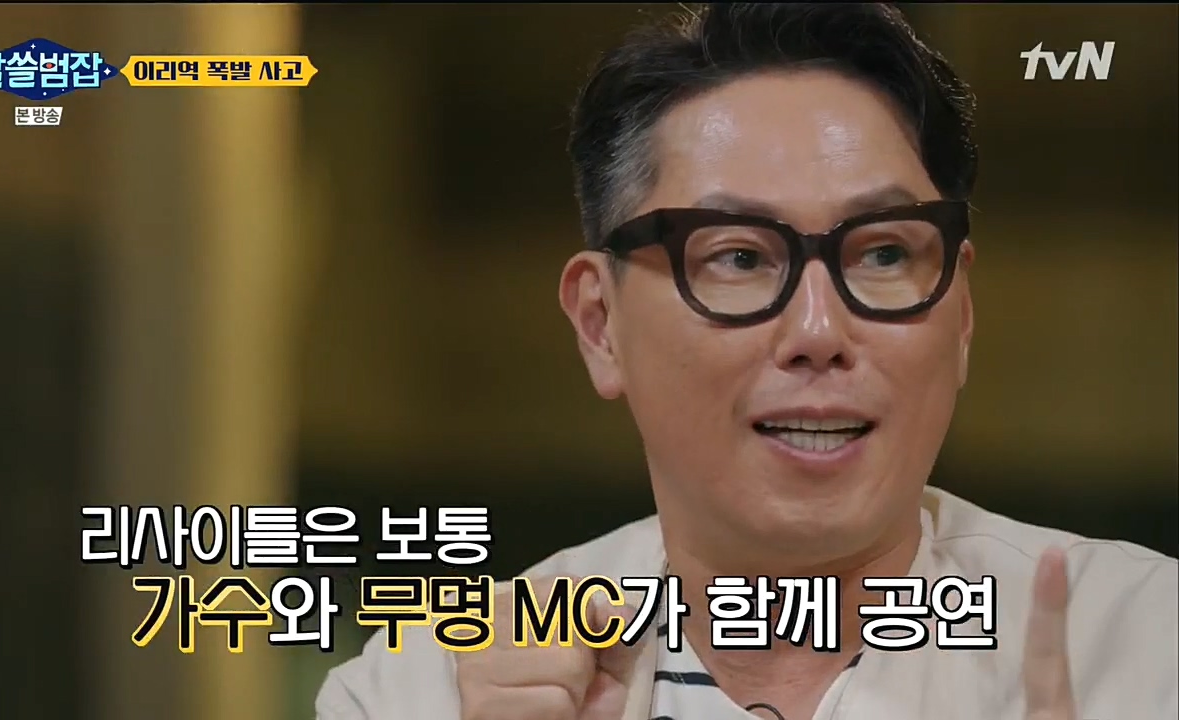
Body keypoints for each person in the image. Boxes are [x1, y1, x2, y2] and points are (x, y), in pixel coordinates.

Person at [316, 4, 1177, 719]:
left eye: (883, 253)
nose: (818, 329)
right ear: (600, 325)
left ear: (961, 315)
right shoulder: (426, 691)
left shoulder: (1145, 646)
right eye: (737, 257)